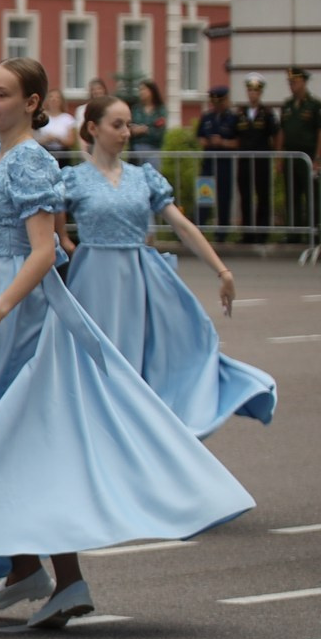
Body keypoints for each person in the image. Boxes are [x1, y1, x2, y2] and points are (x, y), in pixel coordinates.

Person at [0, 61, 253, 628]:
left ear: (33, 103)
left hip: (28, 313)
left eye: (2, 94)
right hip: (10, 303)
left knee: (24, 439)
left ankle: (55, 575)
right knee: (16, 442)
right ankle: (28, 569)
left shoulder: (31, 159)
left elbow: (42, 252)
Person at [61, 94, 275, 436]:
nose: (126, 132)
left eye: (128, 125)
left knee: (141, 357)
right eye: (117, 125)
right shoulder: (73, 179)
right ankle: (95, 434)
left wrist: (222, 271)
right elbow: (48, 229)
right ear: (93, 128)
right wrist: (64, 245)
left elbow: (183, 227)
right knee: (93, 360)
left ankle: (139, 434)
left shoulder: (143, 177)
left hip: (138, 278)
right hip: (92, 279)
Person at [237, 75, 279, 245]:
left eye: (255, 91)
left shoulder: (267, 113)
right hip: (245, 160)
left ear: (260, 93)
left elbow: (276, 134)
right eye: (250, 90)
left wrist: (277, 156)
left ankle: (262, 232)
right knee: (245, 195)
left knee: (262, 195)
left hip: (261, 160)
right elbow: (235, 136)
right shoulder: (241, 113)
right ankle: (247, 233)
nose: (252, 94)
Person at [277, 68, 318, 236]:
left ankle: (314, 233)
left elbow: (319, 132)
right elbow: (282, 132)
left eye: (294, 82)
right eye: (290, 82)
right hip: (291, 156)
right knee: (291, 194)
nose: (292, 85)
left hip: (308, 156)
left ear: (303, 82)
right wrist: (279, 157)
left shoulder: (314, 105)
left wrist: (318, 158)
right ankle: (293, 233)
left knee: (311, 195)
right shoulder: (287, 105)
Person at [197, 84, 240, 236]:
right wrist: (208, 142)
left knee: (224, 197)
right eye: (214, 102)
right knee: (204, 196)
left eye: (220, 102)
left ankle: (222, 232)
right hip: (208, 162)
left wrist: (223, 142)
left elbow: (238, 142)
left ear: (225, 100)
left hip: (224, 163)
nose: (216, 105)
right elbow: (199, 137)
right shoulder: (207, 117)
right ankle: (199, 228)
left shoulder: (233, 118)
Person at [129, 79, 170, 156]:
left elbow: (160, 132)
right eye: (140, 90)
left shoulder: (160, 110)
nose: (141, 92)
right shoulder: (136, 109)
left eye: (143, 89)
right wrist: (134, 130)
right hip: (135, 149)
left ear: (152, 91)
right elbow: (129, 126)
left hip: (153, 149)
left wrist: (146, 130)